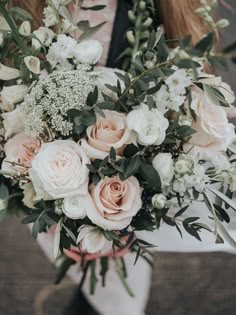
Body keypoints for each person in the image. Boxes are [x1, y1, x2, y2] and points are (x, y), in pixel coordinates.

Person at [8, 1, 236, 315]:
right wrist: (55, 214)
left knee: (112, 296)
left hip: (129, 187)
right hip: (51, 177)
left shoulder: (159, 11)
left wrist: (122, 219)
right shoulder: (25, 10)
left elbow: (176, 109)